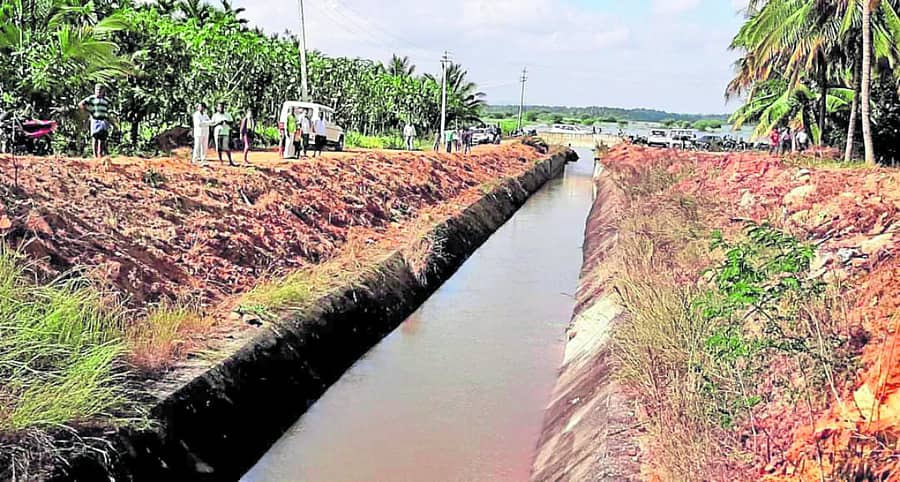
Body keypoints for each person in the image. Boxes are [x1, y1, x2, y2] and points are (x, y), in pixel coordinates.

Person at [79, 83, 112, 158]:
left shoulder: (106, 100)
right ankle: (95, 155)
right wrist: (88, 111)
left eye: (100, 90)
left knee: (102, 137)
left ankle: (100, 154)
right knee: (95, 136)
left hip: (103, 120)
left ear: (103, 91)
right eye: (97, 90)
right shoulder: (92, 98)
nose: (98, 91)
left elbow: (109, 109)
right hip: (95, 119)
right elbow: (81, 104)